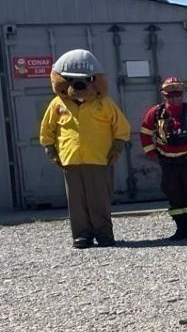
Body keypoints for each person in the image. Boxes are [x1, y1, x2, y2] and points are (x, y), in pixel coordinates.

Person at [39, 49, 131, 249]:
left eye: (85, 80)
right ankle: (82, 235)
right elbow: (48, 128)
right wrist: (50, 148)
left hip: (99, 158)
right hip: (70, 159)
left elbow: (121, 127)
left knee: (100, 199)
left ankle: (104, 233)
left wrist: (117, 146)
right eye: (72, 80)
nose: (79, 85)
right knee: (76, 201)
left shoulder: (104, 103)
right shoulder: (58, 104)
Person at [138, 76, 187, 241]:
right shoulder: (156, 113)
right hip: (167, 162)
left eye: (178, 94)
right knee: (173, 193)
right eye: (170, 95)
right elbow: (145, 133)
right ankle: (180, 228)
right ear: (164, 95)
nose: (175, 98)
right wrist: (151, 153)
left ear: (183, 94)